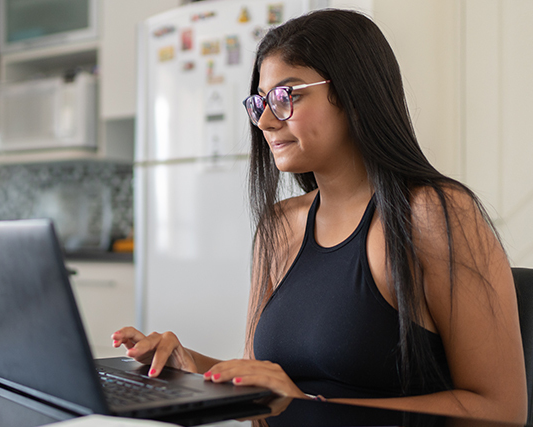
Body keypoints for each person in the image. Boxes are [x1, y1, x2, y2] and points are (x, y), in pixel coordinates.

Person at [112, 8, 527, 424]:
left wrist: (310, 407)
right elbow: (264, 388)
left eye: (287, 97)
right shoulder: (278, 225)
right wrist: (189, 367)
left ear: (352, 93)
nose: (266, 121)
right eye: (260, 102)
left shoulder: (434, 215)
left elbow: (500, 411)